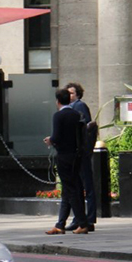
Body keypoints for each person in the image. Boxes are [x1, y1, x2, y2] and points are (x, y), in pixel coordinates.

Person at [43, 88, 89, 235]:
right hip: (76, 155)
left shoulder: (58, 116)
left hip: (64, 156)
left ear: (57, 101)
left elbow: (56, 137)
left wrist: (50, 141)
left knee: (70, 190)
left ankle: (82, 223)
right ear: (69, 100)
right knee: (70, 188)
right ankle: (60, 224)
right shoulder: (77, 115)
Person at [65, 82, 98, 231]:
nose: (69, 95)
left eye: (72, 93)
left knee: (86, 186)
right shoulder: (71, 108)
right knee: (78, 186)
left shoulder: (79, 106)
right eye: (68, 93)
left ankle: (87, 219)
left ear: (77, 94)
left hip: (81, 153)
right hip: (78, 153)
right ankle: (81, 218)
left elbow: (83, 130)